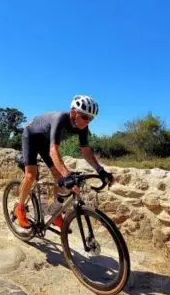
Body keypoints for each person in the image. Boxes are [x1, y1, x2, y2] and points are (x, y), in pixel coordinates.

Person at [14, 94, 114, 229]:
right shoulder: (60, 119)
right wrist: (67, 176)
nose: (87, 121)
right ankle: (19, 208)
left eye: (91, 118)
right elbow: (54, 150)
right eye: (84, 116)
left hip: (46, 143)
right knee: (31, 175)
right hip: (31, 137)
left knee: (58, 177)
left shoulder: (83, 128)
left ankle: (55, 214)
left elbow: (86, 152)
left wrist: (100, 170)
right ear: (73, 112)